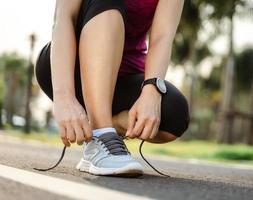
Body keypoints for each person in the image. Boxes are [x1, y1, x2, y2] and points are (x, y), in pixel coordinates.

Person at [35, 0, 190, 177]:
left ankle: (101, 131)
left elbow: (163, 36)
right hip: (70, 69)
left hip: (124, 76)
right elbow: (63, 19)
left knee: (174, 113)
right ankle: (102, 134)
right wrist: (64, 96)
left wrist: (151, 91)